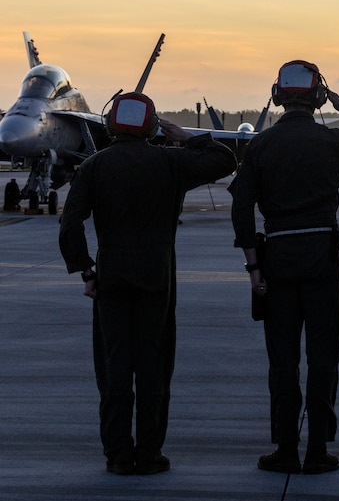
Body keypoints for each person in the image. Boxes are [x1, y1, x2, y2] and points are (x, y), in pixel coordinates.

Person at [230, 60, 339, 475]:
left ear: (278, 96)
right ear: (319, 97)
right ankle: (318, 449)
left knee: (283, 361)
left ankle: (286, 449)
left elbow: (240, 209)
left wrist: (253, 266)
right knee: (323, 358)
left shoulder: (261, 146)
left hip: (276, 261)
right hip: (322, 256)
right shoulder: (333, 141)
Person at [58, 92, 236, 475]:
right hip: (157, 272)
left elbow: (70, 223)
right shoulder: (170, 161)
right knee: (154, 364)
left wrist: (86, 271)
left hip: (112, 274)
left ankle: (118, 455)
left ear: (110, 124)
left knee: (114, 365)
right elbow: (225, 160)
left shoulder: (94, 166)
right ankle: (150, 453)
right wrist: (187, 137)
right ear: (151, 125)